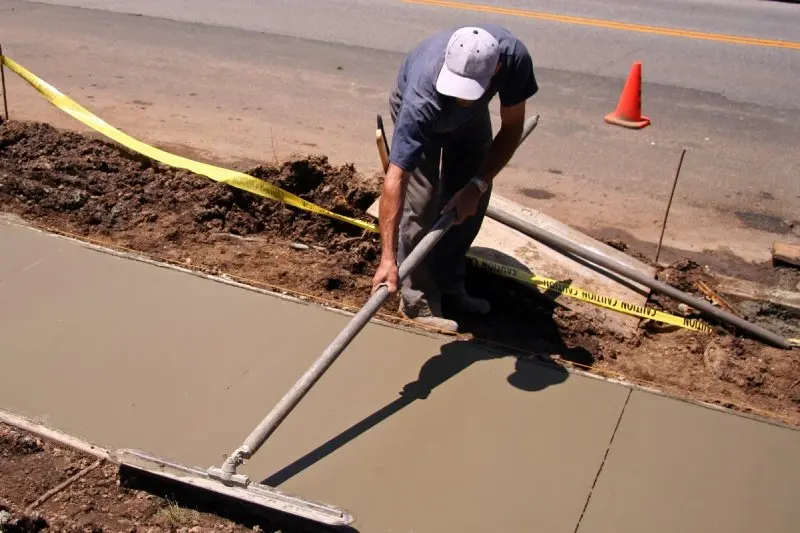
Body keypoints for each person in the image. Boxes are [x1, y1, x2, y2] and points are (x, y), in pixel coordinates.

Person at [371, 24, 539, 332]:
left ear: (497, 68)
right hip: (427, 114)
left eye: (469, 88)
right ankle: (416, 297)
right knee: (422, 203)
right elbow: (395, 178)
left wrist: (476, 185)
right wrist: (387, 258)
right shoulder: (421, 96)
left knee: (471, 201)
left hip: (473, 120)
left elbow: (512, 127)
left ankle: (450, 284)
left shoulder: (514, 58)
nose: (460, 95)